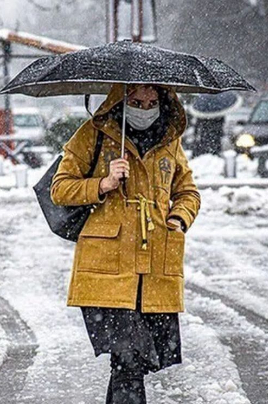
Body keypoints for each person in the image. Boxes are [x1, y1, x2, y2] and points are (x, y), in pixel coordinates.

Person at [51, 83, 200, 404]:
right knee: (129, 360)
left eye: (151, 102)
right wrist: (103, 183)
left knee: (129, 364)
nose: (144, 109)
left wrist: (177, 219)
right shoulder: (94, 134)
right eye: (135, 101)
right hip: (106, 271)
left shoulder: (169, 142)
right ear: (120, 100)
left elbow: (188, 192)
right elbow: (59, 189)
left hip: (155, 271)